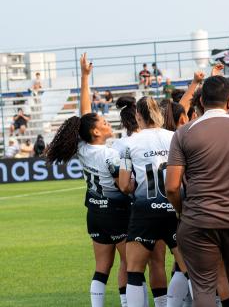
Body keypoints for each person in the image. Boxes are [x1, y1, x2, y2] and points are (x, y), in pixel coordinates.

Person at [166, 75, 229, 307]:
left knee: (204, 288)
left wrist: (182, 211)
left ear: (200, 101)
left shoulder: (184, 132)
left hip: (199, 219)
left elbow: (171, 186)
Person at [44, 53, 131, 307]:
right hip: (117, 212)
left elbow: (85, 113)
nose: (107, 123)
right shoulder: (110, 154)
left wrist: (84, 77)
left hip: (94, 211)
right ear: (96, 131)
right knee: (128, 263)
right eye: (104, 122)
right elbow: (123, 187)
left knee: (101, 267)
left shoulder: (82, 148)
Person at [117, 96, 189, 307]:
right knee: (189, 269)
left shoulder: (129, 143)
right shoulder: (175, 137)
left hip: (144, 212)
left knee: (134, 272)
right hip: (175, 209)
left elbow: (123, 185)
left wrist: (135, 185)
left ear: (138, 116)